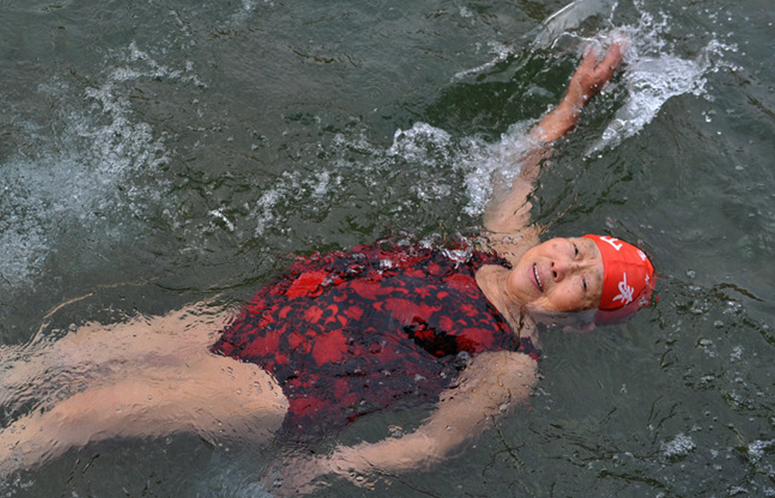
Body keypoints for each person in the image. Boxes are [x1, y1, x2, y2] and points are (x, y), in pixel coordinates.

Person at [0, 41, 653, 492]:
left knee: (81, 413)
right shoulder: (507, 248)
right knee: (64, 357)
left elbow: (429, 445)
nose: (561, 267)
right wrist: (574, 99)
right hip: (259, 316)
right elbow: (524, 165)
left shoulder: (509, 363)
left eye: (582, 284)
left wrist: (330, 468)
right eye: (574, 250)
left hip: (273, 391)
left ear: (583, 322)